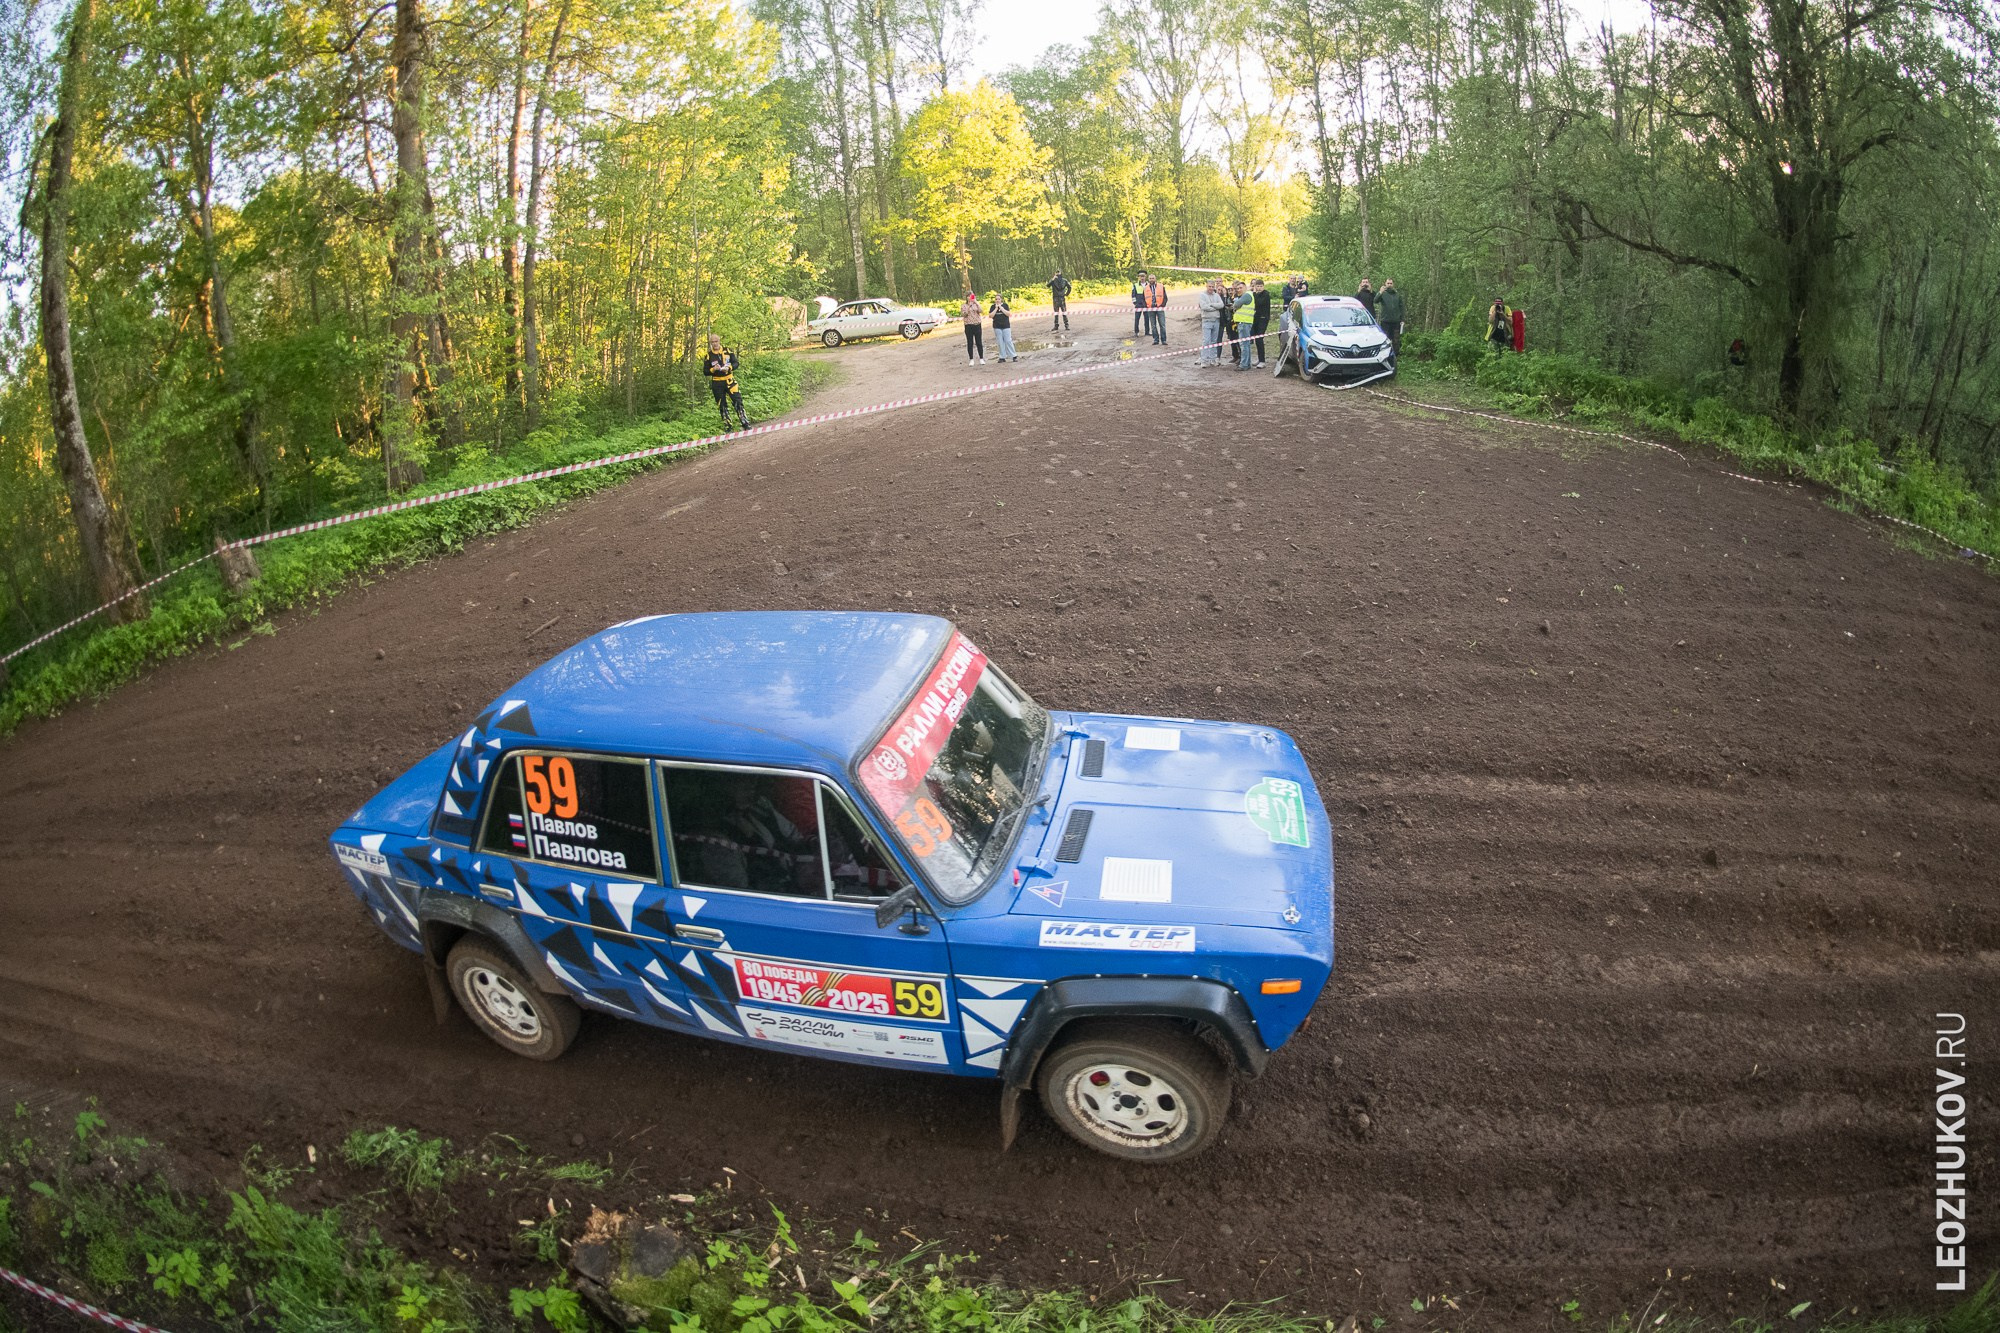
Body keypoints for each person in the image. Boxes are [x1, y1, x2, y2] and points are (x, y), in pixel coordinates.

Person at [702, 334, 749, 430]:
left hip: (729, 380)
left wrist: (729, 367)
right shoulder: (708, 356)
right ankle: (728, 425)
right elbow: (705, 371)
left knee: (738, 401)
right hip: (717, 383)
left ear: (719, 341)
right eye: (712, 342)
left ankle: (745, 422)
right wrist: (713, 369)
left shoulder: (728, 351)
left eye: (716, 341)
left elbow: (736, 363)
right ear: (710, 343)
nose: (715, 344)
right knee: (722, 405)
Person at [1376, 278, 1405, 357]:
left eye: (1391, 283)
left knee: (1396, 340)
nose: (1389, 285)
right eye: (1388, 283)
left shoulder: (1397, 295)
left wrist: (1402, 319)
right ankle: (1385, 355)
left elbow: (1401, 307)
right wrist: (1380, 292)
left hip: (1396, 321)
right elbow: (1375, 300)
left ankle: (1395, 356)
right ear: (1385, 284)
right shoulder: (1383, 293)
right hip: (1385, 321)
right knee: (1385, 339)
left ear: (1393, 284)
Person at [1198, 280, 1225, 366]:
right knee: (1206, 341)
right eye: (1209, 286)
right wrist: (1215, 307)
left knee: (1214, 341)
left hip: (1216, 320)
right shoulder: (1202, 295)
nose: (1211, 288)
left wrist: (1211, 305)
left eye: (1212, 287)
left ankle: (1213, 359)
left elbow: (1221, 305)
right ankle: (1204, 360)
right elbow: (1204, 307)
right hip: (1206, 320)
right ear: (1206, 286)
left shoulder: (1216, 295)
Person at [1233, 285, 1257, 369]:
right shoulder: (1249, 295)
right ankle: (1247, 363)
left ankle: (1244, 364)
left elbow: (1236, 304)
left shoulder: (1246, 295)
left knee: (1244, 345)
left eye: (1241, 288)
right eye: (1238, 288)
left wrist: (1235, 305)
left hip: (1243, 322)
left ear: (1245, 288)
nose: (1239, 290)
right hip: (1246, 321)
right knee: (1246, 344)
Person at [1250, 277, 1272, 368]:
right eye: (1257, 286)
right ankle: (1259, 359)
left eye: (1260, 286)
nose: (1259, 288)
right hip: (1255, 318)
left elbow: (1259, 302)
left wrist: (1254, 294)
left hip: (1263, 318)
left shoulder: (1266, 294)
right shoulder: (1254, 294)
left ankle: (1262, 361)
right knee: (1256, 339)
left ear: (1263, 286)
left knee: (1259, 338)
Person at [990, 292, 1016, 362]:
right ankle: (1002, 357)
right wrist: (996, 309)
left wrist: (1001, 308)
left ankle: (1013, 355)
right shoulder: (992, 307)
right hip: (997, 326)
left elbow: (1008, 314)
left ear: (1001, 299)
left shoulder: (1005, 305)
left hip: (1006, 326)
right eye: (996, 299)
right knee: (1000, 342)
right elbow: (991, 316)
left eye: (999, 299)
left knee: (1008, 340)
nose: (997, 300)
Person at [961, 290, 985, 365]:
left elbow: (981, 310)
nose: (970, 297)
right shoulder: (964, 305)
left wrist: (976, 302)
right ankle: (971, 359)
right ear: (966, 297)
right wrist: (969, 307)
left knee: (979, 342)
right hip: (968, 325)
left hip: (977, 324)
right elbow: (964, 314)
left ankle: (981, 358)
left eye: (972, 296)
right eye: (969, 296)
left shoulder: (976, 304)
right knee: (970, 342)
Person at [1145, 274, 1168, 344]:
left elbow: (1165, 297)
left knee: (1162, 324)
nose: (1151, 280)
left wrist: (1162, 305)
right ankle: (1156, 340)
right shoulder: (1145, 288)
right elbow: (1143, 298)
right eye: (1150, 278)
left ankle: (1163, 340)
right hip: (1150, 308)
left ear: (1155, 279)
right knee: (1153, 325)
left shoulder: (1161, 286)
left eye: (1153, 278)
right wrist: (1147, 306)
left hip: (1159, 308)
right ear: (1148, 279)